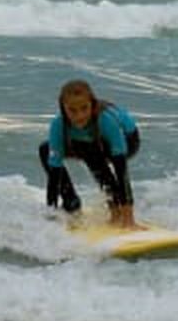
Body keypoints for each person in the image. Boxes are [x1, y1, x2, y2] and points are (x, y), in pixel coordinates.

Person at [38, 79, 140, 228]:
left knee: (92, 154)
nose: (79, 116)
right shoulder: (58, 125)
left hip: (127, 140)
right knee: (45, 150)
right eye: (72, 110)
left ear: (92, 104)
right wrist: (50, 213)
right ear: (63, 108)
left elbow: (121, 171)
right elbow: (54, 175)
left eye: (84, 108)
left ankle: (117, 213)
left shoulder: (105, 120)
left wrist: (129, 219)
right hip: (88, 143)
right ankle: (71, 204)